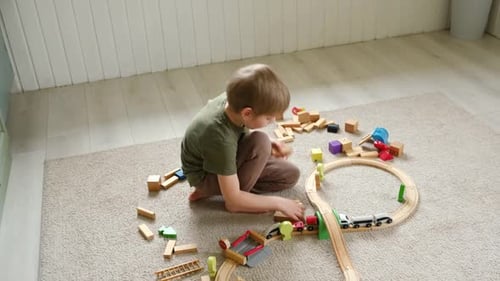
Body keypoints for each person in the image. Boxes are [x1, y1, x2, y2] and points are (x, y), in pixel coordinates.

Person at [181, 64, 304, 221]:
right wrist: (278, 203)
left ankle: (230, 190)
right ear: (247, 113)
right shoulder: (220, 139)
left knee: (290, 174)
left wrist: (270, 143)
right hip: (205, 175)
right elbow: (233, 204)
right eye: (268, 118)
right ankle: (213, 190)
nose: (272, 121)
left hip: (221, 157)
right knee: (261, 141)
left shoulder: (234, 102)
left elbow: (239, 130)